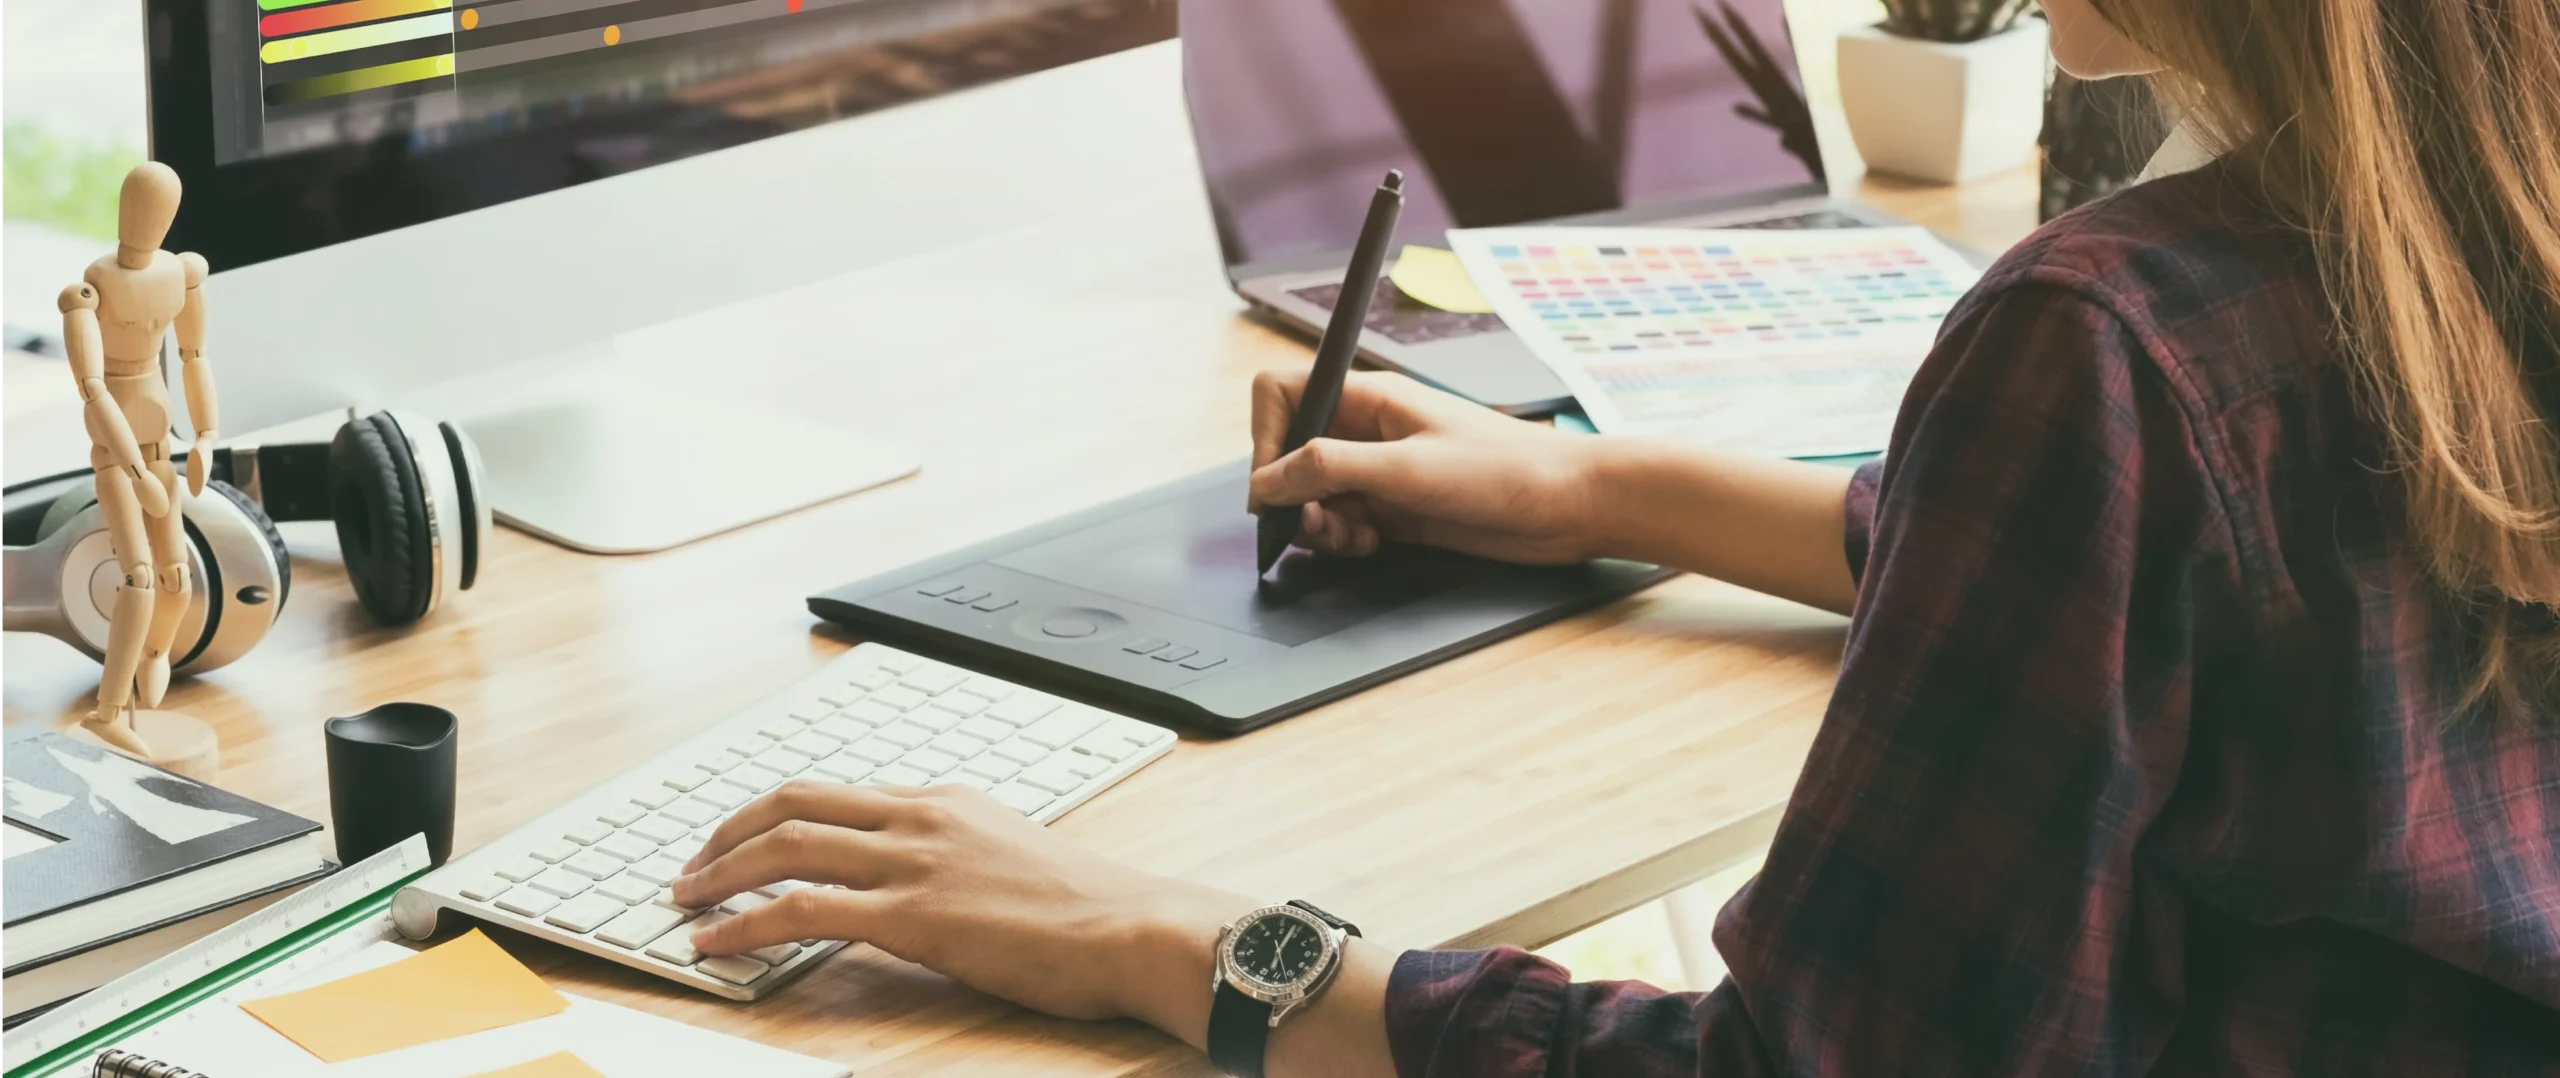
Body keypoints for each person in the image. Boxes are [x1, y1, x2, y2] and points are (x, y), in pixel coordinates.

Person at [667, 0, 2560, 1071]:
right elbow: (2187, 577)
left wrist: (1160, 935)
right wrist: (1587, 487)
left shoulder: (2114, 344)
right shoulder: (2448, 255)